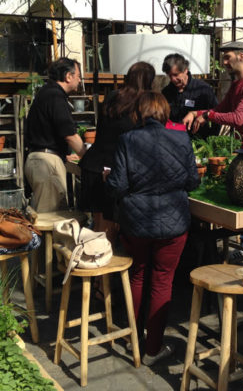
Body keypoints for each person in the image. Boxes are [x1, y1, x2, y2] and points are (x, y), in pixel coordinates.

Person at [106, 91, 200, 366]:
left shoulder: (127, 140)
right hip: (174, 223)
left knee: (137, 275)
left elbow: (118, 187)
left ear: (139, 113)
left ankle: (132, 338)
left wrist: (108, 179)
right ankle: (153, 348)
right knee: (162, 280)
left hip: (136, 223)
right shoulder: (182, 138)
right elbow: (193, 182)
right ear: (164, 113)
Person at [79, 62, 155, 242]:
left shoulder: (113, 96)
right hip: (112, 170)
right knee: (108, 230)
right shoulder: (142, 104)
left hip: (93, 164)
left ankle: (95, 264)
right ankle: (104, 268)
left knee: (98, 225)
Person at [25, 57, 86, 213]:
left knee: (49, 216)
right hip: (46, 164)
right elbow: (70, 134)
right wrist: (88, 156)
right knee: (50, 220)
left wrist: (63, 154)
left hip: (40, 159)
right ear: (68, 76)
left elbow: (47, 130)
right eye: (78, 75)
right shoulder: (55, 96)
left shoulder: (46, 93)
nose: (80, 80)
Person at [183, 41, 243, 149]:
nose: (224, 62)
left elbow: (238, 118)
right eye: (224, 58)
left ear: (241, 56)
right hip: (241, 146)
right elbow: (221, 109)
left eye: (228, 57)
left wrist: (207, 116)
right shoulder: (237, 83)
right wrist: (195, 113)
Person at [161, 53, 219, 137]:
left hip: (199, 141)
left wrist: (212, 138)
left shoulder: (203, 89)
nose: (173, 79)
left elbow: (217, 113)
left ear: (185, 70)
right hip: (173, 140)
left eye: (176, 74)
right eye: (170, 76)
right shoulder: (166, 92)